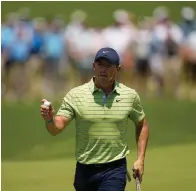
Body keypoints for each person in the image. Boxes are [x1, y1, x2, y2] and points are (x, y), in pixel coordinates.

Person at [40, 47, 149, 191]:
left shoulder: (129, 96)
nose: (103, 69)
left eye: (108, 65)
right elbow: (56, 128)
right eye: (99, 65)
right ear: (93, 66)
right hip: (85, 171)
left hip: (114, 169)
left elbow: (142, 124)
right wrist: (49, 119)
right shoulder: (76, 95)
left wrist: (140, 159)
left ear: (118, 69)